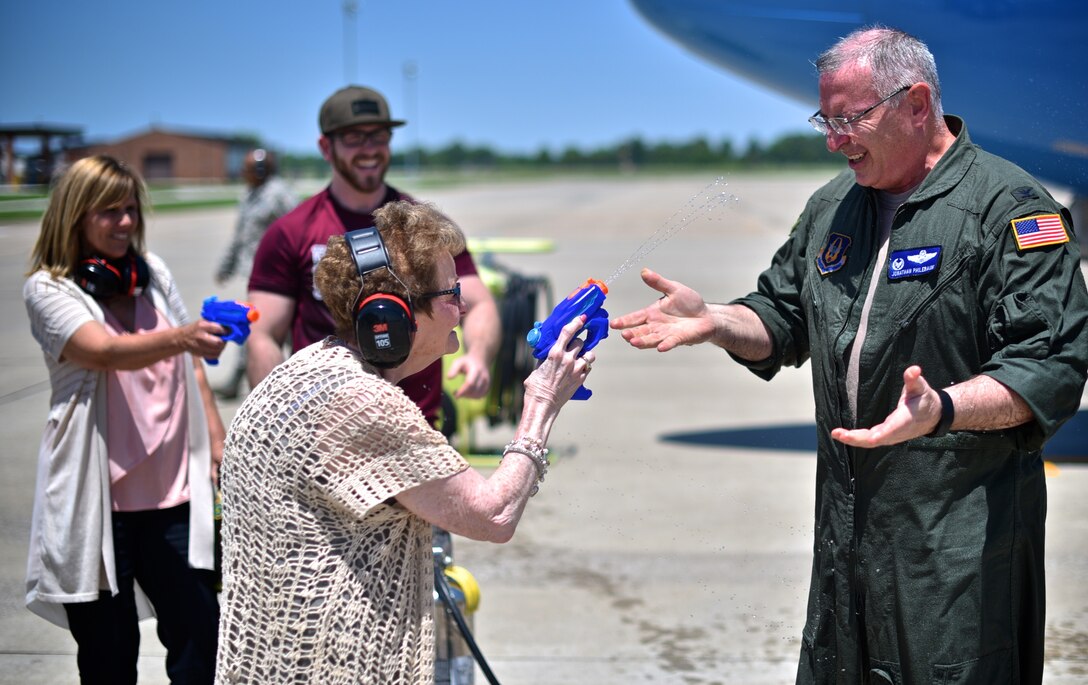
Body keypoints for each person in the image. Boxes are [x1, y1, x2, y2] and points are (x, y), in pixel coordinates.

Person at [611, 27, 1088, 685]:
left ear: (917, 104)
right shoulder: (831, 208)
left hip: (953, 559)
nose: (834, 138)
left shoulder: (1007, 210)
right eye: (825, 119)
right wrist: (718, 320)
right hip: (845, 545)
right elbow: (783, 317)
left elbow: (1050, 366)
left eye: (851, 118)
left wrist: (942, 409)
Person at [214, 200, 595, 682]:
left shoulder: (304, 370)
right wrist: (541, 404)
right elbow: (494, 515)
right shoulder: (363, 405)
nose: (463, 307)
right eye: (451, 294)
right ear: (391, 314)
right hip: (335, 669)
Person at [23, 155, 227, 684]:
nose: (126, 222)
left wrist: (216, 435)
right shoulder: (48, 290)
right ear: (75, 216)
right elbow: (103, 352)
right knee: (109, 654)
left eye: (132, 208)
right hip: (100, 501)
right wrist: (185, 336)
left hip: (172, 492)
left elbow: (191, 365)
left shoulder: (152, 272)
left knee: (200, 636)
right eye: (109, 211)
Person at [246, 85, 500, 427]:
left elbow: (477, 302)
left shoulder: (426, 230)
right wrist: (275, 419)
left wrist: (479, 356)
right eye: (353, 138)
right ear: (326, 147)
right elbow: (263, 335)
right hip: (325, 428)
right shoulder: (290, 232)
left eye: (378, 136)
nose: (369, 149)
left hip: (419, 425)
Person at [212, 148, 297, 399]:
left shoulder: (279, 194)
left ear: (261, 170)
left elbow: (298, 230)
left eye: (248, 168)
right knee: (256, 327)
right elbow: (240, 235)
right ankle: (239, 381)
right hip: (255, 276)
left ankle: (305, 381)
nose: (243, 173)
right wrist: (226, 266)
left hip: (279, 279)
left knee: (272, 329)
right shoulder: (250, 195)